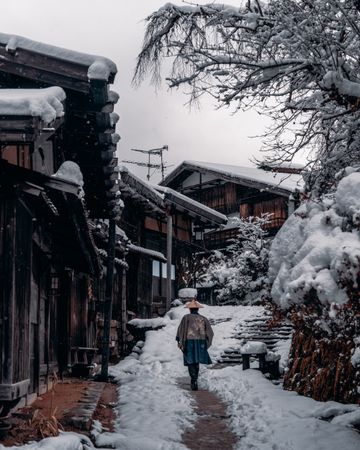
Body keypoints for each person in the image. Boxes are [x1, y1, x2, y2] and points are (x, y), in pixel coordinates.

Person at [176, 298, 214, 391]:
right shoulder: (203, 319)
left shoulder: (186, 317)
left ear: (190, 309)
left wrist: (179, 341)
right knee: (196, 361)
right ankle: (195, 379)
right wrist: (206, 344)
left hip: (189, 342)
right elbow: (210, 333)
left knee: (190, 361)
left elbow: (181, 330)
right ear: (198, 309)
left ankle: (193, 380)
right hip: (200, 343)